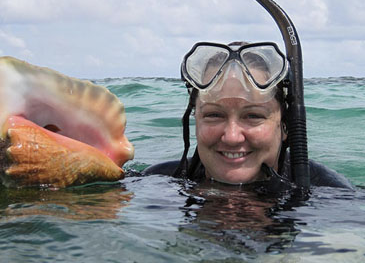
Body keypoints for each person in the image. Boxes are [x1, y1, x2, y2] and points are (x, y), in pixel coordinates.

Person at [142, 41, 352, 191]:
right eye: (214, 115)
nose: (232, 137)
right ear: (196, 120)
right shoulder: (158, 182)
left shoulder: (330, 193)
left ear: (285, 126)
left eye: (253, 116)